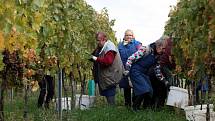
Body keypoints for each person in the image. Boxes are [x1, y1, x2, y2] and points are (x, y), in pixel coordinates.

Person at [125, 39, 165, 111]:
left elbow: (157, 70)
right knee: (144, 89)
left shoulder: (158, 56)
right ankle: (135, 108)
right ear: (158, 46)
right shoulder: (145, 49)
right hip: (135, 71)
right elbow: (130, 59)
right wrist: (127, 71)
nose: (164, 51)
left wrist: (165, 81)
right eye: (163, 48)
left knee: (150, 90)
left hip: (143, 73)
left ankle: (145, 109)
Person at [90, 32, 124, 105]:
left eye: (99, 40)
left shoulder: (110, 48)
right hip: (106, 76)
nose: (97, 42)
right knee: (108, 97)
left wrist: (95, 58)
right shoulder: (101, 47)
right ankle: (110, 113)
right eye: (97, 40)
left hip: (110, 77)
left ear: (104, 39)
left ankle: (112, 114)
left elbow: (107, 61)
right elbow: (95, 54)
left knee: (110, 98)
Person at [118, 29, 141, 107]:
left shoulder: (137, 44)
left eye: (130, 35)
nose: (128, 37)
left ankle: (135, 105)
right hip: (124, 69)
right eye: (127, 35)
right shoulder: (120, 45)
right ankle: (127, 106)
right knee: (126, 87)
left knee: (135, 87)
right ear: (124, 36)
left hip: (135, 69)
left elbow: (141, 55)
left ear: (133, 36)